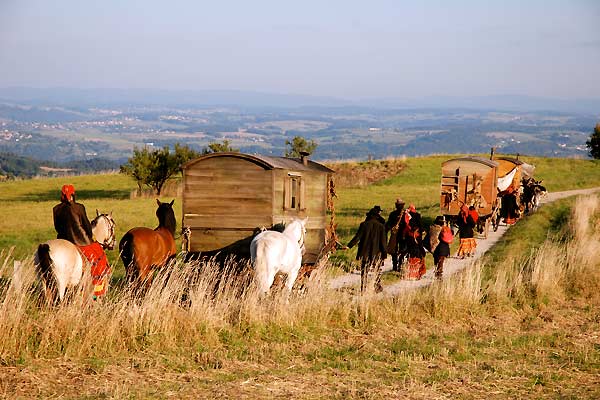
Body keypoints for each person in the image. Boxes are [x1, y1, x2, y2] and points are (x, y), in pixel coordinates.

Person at [53, 184, 110, 299]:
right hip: (81, 241)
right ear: (73, 194)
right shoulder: (79, 207)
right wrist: (90, 236)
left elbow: (57, 227)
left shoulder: (56, 209)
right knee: (99, 258)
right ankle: (96, 292)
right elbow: (87, 226)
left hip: (64, 240)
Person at [347, 209, 387, 293]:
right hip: (376, 252)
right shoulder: (381, 227)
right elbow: (383, 242)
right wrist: (384, 254)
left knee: (364, 271)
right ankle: (377, 286)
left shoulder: (364, 225)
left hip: (364, 252)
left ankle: (363, 288)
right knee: (377, 270)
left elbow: (357, 237)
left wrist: (349, 246)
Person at [385, 198, 406, 272]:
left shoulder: (392, 214)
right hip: (403, 235)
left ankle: (395, 265)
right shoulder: (406, 214)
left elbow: (388, 225)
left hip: (395, 234)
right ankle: (400, 264)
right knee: (402, 250)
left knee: (394, 250)